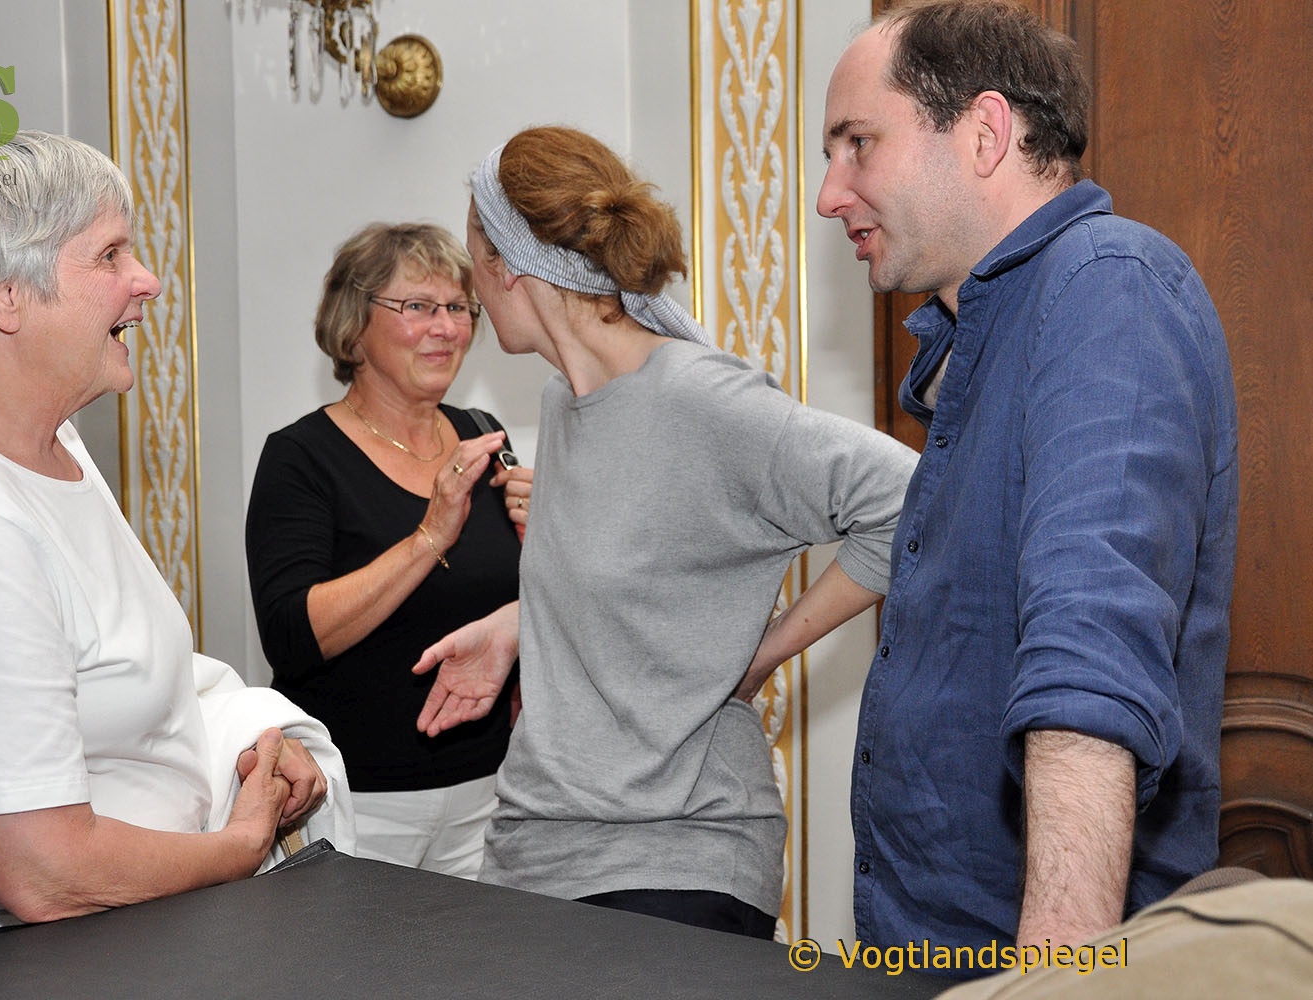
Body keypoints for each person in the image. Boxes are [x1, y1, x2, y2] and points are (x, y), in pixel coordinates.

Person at [0, 131, 352, 949]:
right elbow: (41, 870)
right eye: (110, 255)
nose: (149, 282)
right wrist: (236, 847)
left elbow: (125, 669)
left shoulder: (50, 444)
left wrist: (256, 743)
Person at [412, 126, 918, 939]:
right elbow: (649, 566)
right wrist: (520, 626)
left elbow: (907, 503)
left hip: (677, 861)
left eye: (473, 260)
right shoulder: (562, 401)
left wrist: (759, 655)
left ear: (509, 263)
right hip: (535, 850)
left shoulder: (701, 400)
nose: (472, 288)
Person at [815, 0, 1237, 968]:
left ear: (986, 133)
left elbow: (1088, 672)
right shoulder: (978, 333)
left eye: (858, 144)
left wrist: (1059, 984)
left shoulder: (1108, 283)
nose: (830, 193)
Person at [245, 223, 531, 878]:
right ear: (353, 324)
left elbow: (521, 606)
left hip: (487, 794)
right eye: (418, 307)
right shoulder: (301, 457)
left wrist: (546, 536)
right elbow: (291, 636)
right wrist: (430, 536)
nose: (446, 328)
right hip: (353, 800)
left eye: (458, 308)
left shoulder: (484, 436)